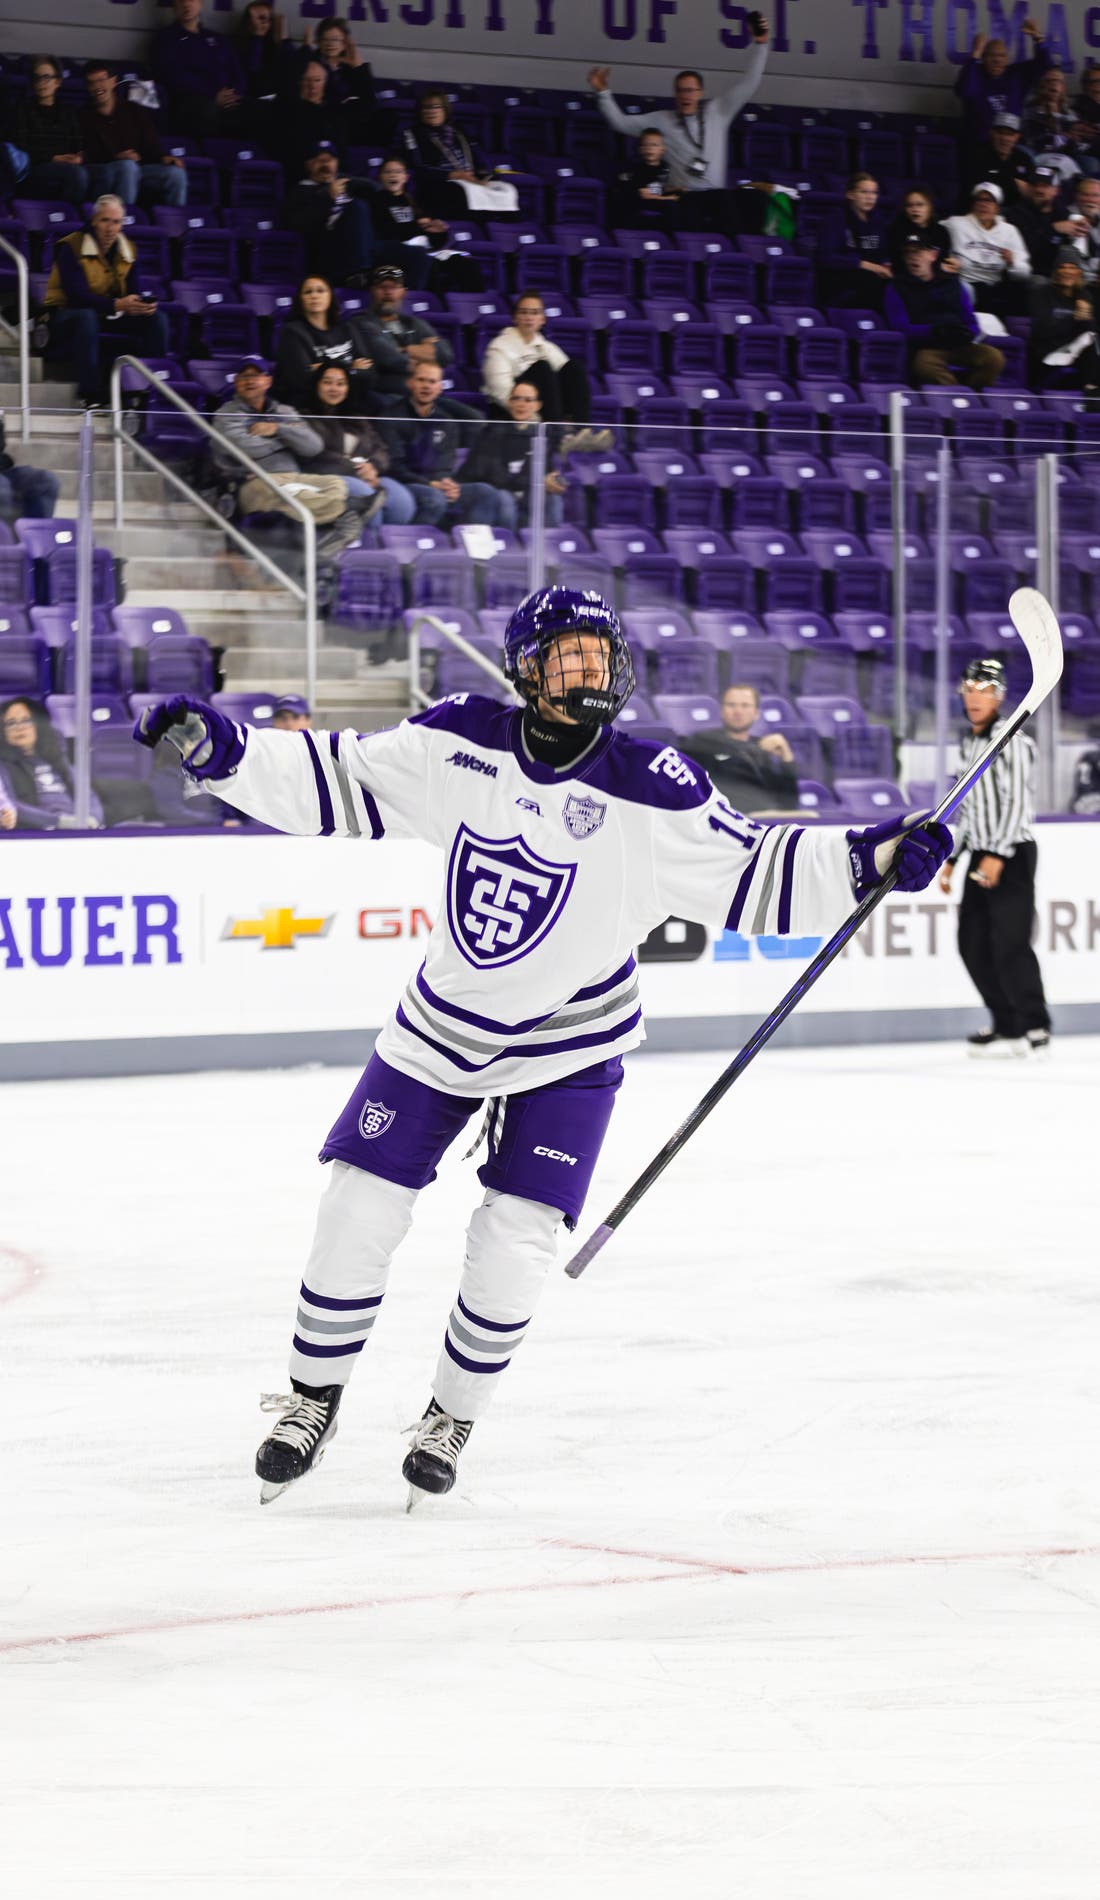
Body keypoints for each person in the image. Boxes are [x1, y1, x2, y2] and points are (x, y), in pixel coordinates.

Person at [132, 586, 952, 1505]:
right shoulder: (460, 737)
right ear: (526, 668)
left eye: (601, 655)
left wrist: (871, 859)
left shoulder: (653, 785)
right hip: (441, 1028)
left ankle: (452, 1413)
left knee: (516, 1239)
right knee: (357, 1206)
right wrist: (231, 753)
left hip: (571, 1045)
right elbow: (341, 777)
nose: (590, 669)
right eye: (569, 654)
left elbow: (755, 872)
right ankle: (312, 1398)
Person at [938, 657, 1051, 1056]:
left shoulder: (1013, 739)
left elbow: (1019, 803)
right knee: (972, 943)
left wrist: (998, 855)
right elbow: (968, 807)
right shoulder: (968, 742)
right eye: (969, 689)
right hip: (980, 852)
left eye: (984, 690)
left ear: (999, 696)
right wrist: (953, 858)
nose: (975, 697)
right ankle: (1006, 1024)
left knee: (1010, 942)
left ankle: (1035, 1025)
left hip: (1012, 853)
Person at [588, 29, 771, 238]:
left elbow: (749, 84)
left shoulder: (718, 111)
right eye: (681, 90)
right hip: (684, 196)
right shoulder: (662, 120)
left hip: (717, 197)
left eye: (690, 90)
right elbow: (619, 123)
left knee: (736, 217)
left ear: (700, 93)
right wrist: (602, 93)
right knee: (685, 228)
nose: (685, 95)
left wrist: (761, 45)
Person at [211, 355, 367, 558]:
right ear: (236, 382)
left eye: (256, 375)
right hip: (254, 481)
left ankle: (332, 523)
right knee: (299, 498)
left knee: (336, 483)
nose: (250, 381)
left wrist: (276, 428)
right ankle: (343, 513)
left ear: (268, 381)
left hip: (294, 477)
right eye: (244, 376)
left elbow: (313, 446)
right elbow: (245, 448)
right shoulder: (225, 415)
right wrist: (288, 439)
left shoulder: (283, 411)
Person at [42, 194, 169, 408]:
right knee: (86, 317)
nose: (111, 228)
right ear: (94, 221)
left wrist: (140, 305)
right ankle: (91, 394)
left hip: (105, 314)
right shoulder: (71, 246)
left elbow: (132, 291)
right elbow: (76, 296)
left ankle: (146, 391)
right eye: (105, 220)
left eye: (116, 222)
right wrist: (118, 305)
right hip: (64, 316)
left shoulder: (128, 249)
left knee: (156, 319)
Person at [374, 360, 512, 529]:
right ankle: (413, 548)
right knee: (434, 498)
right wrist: (431, 484)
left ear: (440, 387)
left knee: (485, 492)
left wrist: (448, 485)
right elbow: (394, 467)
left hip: (438, 485)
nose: (426, 386)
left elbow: (446, 463)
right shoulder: (391, 417)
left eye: (432, 382)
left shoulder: (446, 421)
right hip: (406, 485)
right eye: (421, 380)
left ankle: (467, 547)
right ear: (410, 383)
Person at [281, 144, 429, 289]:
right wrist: (327, 197)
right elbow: (297, 226)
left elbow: (376, 189)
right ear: (309, 164)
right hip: (331, 251)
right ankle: (359, 273)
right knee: (357, 206)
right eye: (320, 160)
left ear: (337, 163)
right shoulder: (299, 192)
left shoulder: (350, 183)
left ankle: (408, 302)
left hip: (369, 247)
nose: (325, 164)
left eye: (330, 160)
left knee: (418, 255)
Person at [884, 238, 1005, 389]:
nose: (913, 256)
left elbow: (971, 321)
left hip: (959, 344)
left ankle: (974, 394)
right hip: (927, 347)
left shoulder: (953, 284)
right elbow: (899, 326)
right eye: (908, 253)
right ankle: (957, 397)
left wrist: (966, 333)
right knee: (924, 364)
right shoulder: (897, 287)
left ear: (933, 255)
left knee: (994, 358)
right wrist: (933, 331)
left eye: (919, 251)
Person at [306, 363, 417, 525]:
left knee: (401, 502)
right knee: (366, 497)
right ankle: (368, 545)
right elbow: (316, 455)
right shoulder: (305, 417)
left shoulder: (356, 418)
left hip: (366, 475)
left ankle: (386, 546)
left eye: (340, 384)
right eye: (327, 382)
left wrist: (373, 467)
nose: (334, 388)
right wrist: (356, 471)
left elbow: (380, 448)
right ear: (317, 385)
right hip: (331, 478)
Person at [481, 292, 599, 437]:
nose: (529, 317)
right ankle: (556, 434)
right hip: (511, 412)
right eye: (523, 312)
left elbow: (569, 379)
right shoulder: (499, 346)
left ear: (542, 319)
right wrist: (534, 418)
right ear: (515, 317)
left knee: (575, 367)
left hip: (545, 411)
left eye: (535, 312)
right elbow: (501, 391)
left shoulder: (547, 347)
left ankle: (582, 432)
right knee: (542, 368)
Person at [458, 379, 568, 531]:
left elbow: (546, 473)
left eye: (528, 400)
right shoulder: (492, 432)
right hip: (501, 492)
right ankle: (510, 546)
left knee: (554, 500)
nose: (521, 404)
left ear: (537, 405)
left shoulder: (542, 437)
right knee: (505, 499)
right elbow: (482, 471)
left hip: (527, 495)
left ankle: (547, 547)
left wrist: (550, 481)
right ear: (510, 402)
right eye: (516, 398)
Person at [80, 62, 188, 211]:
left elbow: (150, 145)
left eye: (101, 80)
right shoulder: (83, 116)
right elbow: (86, 153)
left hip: (138, 169)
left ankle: (174, 226)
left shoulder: (133, 110)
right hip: (105, 170)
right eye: (91, 83)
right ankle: (124, 222)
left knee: (176, 174)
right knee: (127, 167)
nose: (97, 86)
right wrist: (117, 157)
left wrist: (163, 157)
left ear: (113, 81)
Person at [677, 683, 798, 814]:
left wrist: (787, 757)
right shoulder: (702, 743)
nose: (738, 711)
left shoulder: (763, 750)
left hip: (766, 823)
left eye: (745, 705)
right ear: (722, 711)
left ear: (756, 713)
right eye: (731, 705)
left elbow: (790, 804)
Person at [368, 154, 481, 294]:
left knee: (465, 263)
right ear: (380, 177)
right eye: (388, 172)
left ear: (405, 177)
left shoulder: (415, 202)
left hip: (425, 251)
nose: (393, 175)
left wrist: (438, 232)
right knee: (425, 262)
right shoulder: (375, 201)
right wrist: (419, 228)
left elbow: (432, 239)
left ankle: (468, 306)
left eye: (398, 172)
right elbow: (385, 231)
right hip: (398, 252)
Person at [273, 274, 378, 413]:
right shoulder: (292, 332)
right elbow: (302, 379)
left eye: (320, 291)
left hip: (350, 395)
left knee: (382, 404)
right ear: (300, 299)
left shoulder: (347, 327)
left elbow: (369, 373)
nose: (314, 296)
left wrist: (323, 369)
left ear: (330, 297)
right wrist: (351, 367)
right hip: (310, 402)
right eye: (308, 292)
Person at [150, 0, 246, 138]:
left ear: (200, 3)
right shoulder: (165, 39)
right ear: (174, 6)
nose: (186, 4)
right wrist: (213, 94)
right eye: (181, 1)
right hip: (190, 101)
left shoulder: (218, 39)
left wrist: (235, 93)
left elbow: (237, 71)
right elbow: (173, 76)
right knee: (207, 110)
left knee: (254, 108)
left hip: (227, 98)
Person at [357, 265, 453, 397]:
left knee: (472, 415)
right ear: (372, 290)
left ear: (403, 291)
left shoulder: (414, 323)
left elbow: (445, 355)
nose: (388, 292)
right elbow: (390, 359)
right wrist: (423, 354)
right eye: (382, 287)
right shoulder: (361, 322)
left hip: (424, 396)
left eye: (394, 287)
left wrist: (404, 349)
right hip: (386, 393)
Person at [399, 88, 495, 217]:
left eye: (436, 107)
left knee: (506, 189)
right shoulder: (412, 133)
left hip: (470, 178)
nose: (431, 111)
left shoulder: (458, 131)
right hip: (439, 181)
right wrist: (455, 175)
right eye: (426, 107)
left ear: (445, 110)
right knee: (459, 191)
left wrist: (483, 174)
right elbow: (418, 166)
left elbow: (477, 155)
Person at [954, 19, 1050, 147]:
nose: (997, 60)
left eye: (1002, 56)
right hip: (981, 144)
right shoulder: (975, 74)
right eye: (991, 56)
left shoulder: (1016, 75)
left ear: (1007, 58)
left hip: (1012, 145)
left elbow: (1044, 65)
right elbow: (963, 90)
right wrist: (975, 53)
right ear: (983, 58)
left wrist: (1038, 38)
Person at [944, 182, 1031, 319]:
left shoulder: (1009, 231)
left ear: (997, 207)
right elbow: (930, 229)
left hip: (995, 288)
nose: (983, 204)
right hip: (965, 284)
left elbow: (1024, 273)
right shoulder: (955, 224)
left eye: (989, 200)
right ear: (973, 204)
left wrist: (1012, 263)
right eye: (979, 199)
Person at [11, 55, 88, 206]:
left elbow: (79, 142)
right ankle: (69, 218)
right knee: (77, 174)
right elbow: (21, 147)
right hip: (35, 167)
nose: (41, 83)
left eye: (46, 77)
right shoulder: (22, 109)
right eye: (37, 78)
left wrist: (80, 156)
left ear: (57, 81)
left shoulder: (68, 111)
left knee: (103, 174)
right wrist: (53, 158)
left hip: (67, 163)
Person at [816, 172, 893, 311]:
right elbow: (826, 258)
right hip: (841, 279)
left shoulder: (878, 222)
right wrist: (866, 265)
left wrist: (887, 263)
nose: (870, 197)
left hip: (871, 276)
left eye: (874, 193)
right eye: (864, 192)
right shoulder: (835, 220)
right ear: (850, 194)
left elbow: (884, 252)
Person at [1028, 250, 1100, 392]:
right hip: (1047, 350)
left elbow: (1091, 329)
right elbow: (1043, 329)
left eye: (1072, 267)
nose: (1067, 271)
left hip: (1077, 350)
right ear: (1055, 271)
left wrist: (1085, 317)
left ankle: (1092, 389)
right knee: (1088, 345)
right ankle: (1092, 389)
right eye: (1063, 267)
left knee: (1091, 340)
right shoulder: (1041, 293)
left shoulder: (1084, 296)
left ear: (1079, 272)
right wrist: (1075, 318)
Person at [299, 14, 377, 144]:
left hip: (346, 123)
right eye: (325, 39)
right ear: (318, 41)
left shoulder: (352, 68)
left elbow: (369, 103)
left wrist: (359, 68)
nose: (330, 44)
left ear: (344, 43)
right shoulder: (310, 63)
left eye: (335, 39)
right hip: (318, 118)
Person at [959, 113, 1036, 209]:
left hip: (1015, 212)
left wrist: (998, 176)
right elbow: (974, 186)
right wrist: (1013, 182)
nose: (1005, 138)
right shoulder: (975, 154)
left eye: (1010, 134)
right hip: (981, 208)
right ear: (992, 133)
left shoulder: (1024, 158)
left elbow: (1030, 190)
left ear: (1017, 136)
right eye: (1000, 132)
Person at [610, 127, 681, 229]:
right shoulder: (634, 170)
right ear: (640, 148)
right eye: (645, 145)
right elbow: (642, 194)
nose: (649, 149)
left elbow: (675, 193)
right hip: (637, 213)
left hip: (664, 214)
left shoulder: (669, 170)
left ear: (663, 148)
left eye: (654, 145)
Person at [1007, 163, 1067, 278]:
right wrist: (1053, 229)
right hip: (1031, 274)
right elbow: (1024, 251)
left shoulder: (1063, 214)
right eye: (1034, 185)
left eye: (1045, 185)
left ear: (1056, 190)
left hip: (1060, 275)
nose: (1038, 189)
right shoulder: (1015, 214)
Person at [0, 417, 60, 521]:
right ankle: (6, 534)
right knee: (2, 485)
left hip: (4, 469)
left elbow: (1, 445)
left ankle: (35, 531)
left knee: (45, 480)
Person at [887, 185, 957, 274]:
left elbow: (945, 261)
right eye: (910, 205)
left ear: (930, 207)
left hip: (935, 279)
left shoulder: (941, 232)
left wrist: (952, 265)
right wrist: (937, 266)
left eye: (920, 205)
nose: (915, 209)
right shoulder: (897, 231)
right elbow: (897, 262)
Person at [1051, 175, 1100, 281]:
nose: (1090, 200)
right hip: (1079, 276)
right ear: (1077, 196)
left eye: (1095, 195)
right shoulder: (1065, 215)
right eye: (1085, 195)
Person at [1020, 68, 1075, 158]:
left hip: (1065, 159)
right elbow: (1029, 142)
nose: (1054, 84)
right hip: (1038, 157)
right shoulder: (1029, 112)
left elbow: (1073, 146)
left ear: (1063, 87)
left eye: (1058, 81)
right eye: (1049, 80)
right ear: (1041, 85)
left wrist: (1056, 125)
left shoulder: (1070, 114)